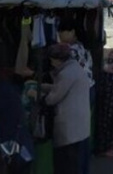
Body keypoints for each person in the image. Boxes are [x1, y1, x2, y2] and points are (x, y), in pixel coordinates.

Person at [42, 44, 91, 174]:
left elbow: (52, 99)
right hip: (80, 126)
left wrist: (40, 94)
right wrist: (47, 87)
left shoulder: (65, 74)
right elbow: (63, 89)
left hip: (69, 129)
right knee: (76, 163)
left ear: (57, 59)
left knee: (66, 165)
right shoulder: (76, 68)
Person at [57, 21, 94, 174]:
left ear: (72, 31)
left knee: (75, 137)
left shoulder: (70, 50)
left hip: (77, 92)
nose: (59, 36)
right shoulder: (83, 47)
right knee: (84, 133)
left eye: (62, 32)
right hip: (89, 89)